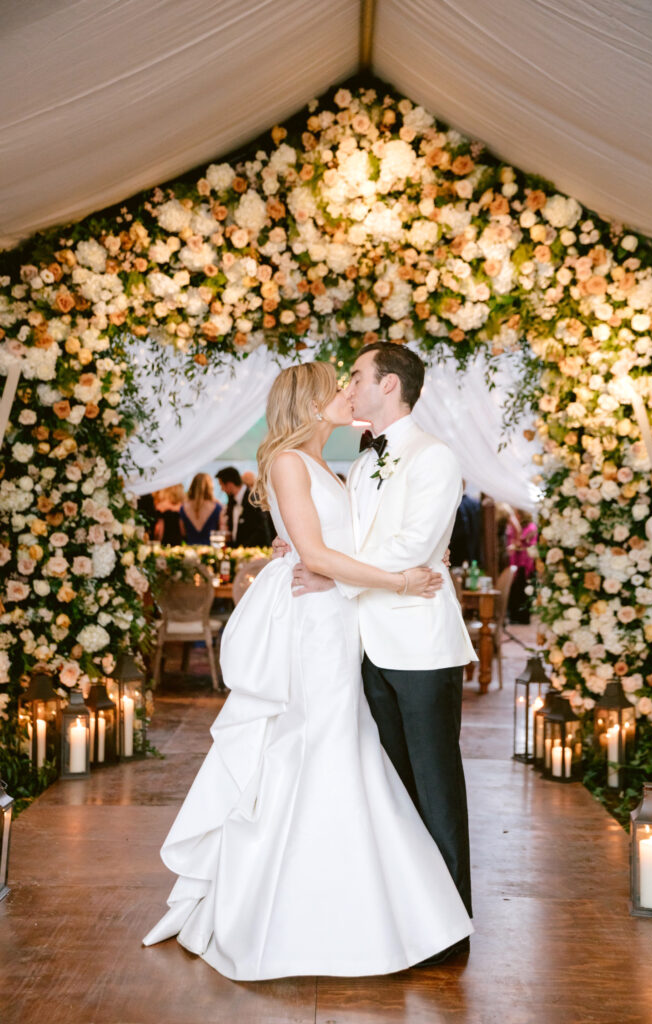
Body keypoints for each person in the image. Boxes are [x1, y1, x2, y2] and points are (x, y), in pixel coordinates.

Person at [142, 360, 473, 980]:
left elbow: (345, 539)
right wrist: (386, 574)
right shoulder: (292, 461)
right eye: (338, 386)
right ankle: (291, 909)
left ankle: (374, 909)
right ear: (310, 401)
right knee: (313, 746)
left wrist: (343, 555)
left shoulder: (342, 463)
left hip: (345, 624)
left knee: (348, 752)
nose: (348, 391)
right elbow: (319, 550)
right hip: (317, 622)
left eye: (354, 381)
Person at [285, 343, 477, 956]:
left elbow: (415, 545)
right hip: (363, 645)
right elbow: (348, 536)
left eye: (359, 377)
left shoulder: (435, 456)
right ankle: (410, 921)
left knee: (436, 786)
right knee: (393, 790)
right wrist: (302, 558)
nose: (350, 385)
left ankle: (453, 929)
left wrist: (330, 574)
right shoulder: (364, 463)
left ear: (388, 385)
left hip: (421, 645)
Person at [216, 466, 273, 546]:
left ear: (229, 484)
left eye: (221, 485)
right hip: (237, 551)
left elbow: (262, 529)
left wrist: (243, 548)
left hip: (253, 551)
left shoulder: (252, 498)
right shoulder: (232, 501)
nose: (222, 489)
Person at [179, 473, 225, 544]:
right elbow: (222, 531)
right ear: (210, 487)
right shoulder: (217, 506)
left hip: (190, 550)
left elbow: (183, 532)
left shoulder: (183, 507)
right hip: (211, 551)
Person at [448, 481, 480, 567]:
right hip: (475, 549)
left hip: (459, 552)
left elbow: (460, 530)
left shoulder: (456, 505)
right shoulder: (476, 503)